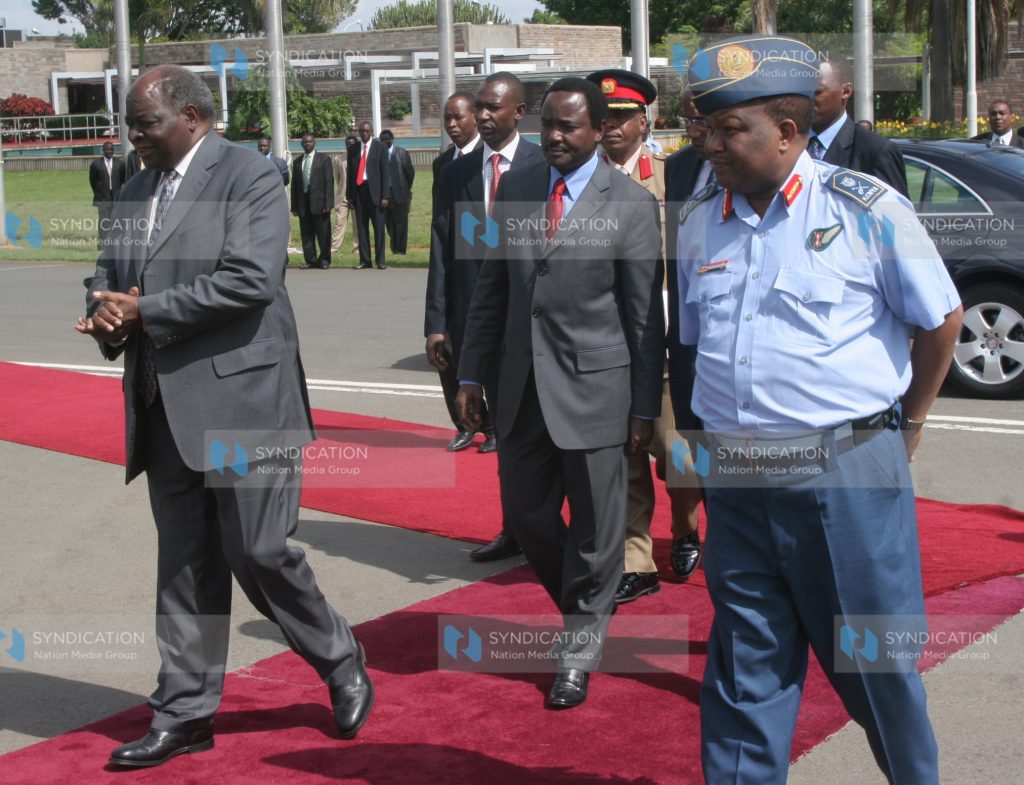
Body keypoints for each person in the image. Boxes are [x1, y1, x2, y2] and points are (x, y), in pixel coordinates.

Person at [678, 36, 962, 784]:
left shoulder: (867, 210)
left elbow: (940, 323)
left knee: (875, 667)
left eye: (729, 129)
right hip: (737, 474)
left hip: (843, 471)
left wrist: (912, 421)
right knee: (746, 669)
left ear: (789, 132)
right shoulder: (702, 219)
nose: (710, 145)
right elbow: (695, 347)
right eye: (706, 129)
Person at [74, 64, 373, 769]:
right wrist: (104, 309)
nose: (134, 135)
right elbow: (106, 268)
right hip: (161, 403)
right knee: (183, 566)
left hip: (245, 401)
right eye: (131, 123)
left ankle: (338, 655)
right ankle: (184, 711)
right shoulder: (134, 185)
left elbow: (251, 276)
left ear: (193, 117)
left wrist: (145, 309)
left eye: (145, 122)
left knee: (259, 552)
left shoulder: (250, 175)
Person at [456, 77, 665, 708]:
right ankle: (587, 608)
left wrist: (643, 406)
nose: (553, 136)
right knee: (526, 516)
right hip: (521, 391)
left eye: (568, 126)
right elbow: (492, 289)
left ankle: (578, 648)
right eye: (547, 124)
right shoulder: (517, 189)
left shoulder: (629, 204)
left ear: (600, 131)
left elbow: (641, 319)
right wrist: (471, 372)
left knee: (601, 532)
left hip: (598, 394)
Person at [585, 68, 703, 603]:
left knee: (674, 453)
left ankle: (684, 526)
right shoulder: (581, 178)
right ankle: (637, 559)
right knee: (624, 454)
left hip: (664, 335)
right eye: (602, 118)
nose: (610, 128)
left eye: (621, 118)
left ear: (644, 121)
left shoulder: (671, 177)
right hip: (606, 339)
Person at [426, 72, 545, 563]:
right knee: (508, 434)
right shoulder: (454, 171)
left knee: (552, 432)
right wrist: (437, 322)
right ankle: (513, 529)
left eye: (495, 107)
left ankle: (569, 531)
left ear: (520, 112)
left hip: (539, 324)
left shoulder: (545, 164)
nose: (484, 116)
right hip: (481, 322)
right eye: (480, 107)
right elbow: (440, 247)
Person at [809, 52, 909, 196]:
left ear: (846, 91)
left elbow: (895, 215)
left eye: (817, 91)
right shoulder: (789, 146)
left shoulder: (876, 152)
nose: (807, 98)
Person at [346, 120, 390, 269]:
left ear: (371, 132)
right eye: (361, 131)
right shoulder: (353, 149)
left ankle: (380, 260)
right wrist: (350, 196)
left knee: (378, 228)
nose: (364, 134)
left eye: (367, 131)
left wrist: (385, 196)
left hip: (376, 193)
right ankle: (365, 260)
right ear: (358, 132)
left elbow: (385, 173)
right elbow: (350, 174)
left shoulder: (380, 148)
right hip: (359, 191)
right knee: (361, 228)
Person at [432, 92, 480, 219]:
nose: (451, 124)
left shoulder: (491, 156)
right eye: (447, 119)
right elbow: (438, 213)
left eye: (458, 117)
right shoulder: (441, 163)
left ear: (475, 118)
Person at [290, 133, 334, 268]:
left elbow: (329, 182)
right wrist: (294, 206)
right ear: (301, 144)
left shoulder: (324, 159)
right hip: (303, 203)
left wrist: (328, 203)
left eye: (309, 142)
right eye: (304, 142)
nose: (307, 144)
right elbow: (294, 186)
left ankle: (324, 260)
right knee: (306, 234)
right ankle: (311, 260)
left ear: (314, 143)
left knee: (323, 233)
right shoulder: (297, 162)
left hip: (320, 203)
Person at [380, 129, 415, 255]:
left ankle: (400, 249)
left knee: (401, 223)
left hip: (400, 194)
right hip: (385, 195)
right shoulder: (379, 154)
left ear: (392, 139)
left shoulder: (401, 153)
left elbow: (410, 173)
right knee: (389, 223)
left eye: (387, 139)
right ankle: (394, 245)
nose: (384, 142)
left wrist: (405, 188)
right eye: (382, 140)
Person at [88, 141, 126, 248]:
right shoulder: (96, 164)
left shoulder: (120, 164)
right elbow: (93, 181)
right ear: (103, 150)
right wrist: (98, 194)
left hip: (116, 198)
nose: (109, 151)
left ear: (113, 151)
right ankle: (102, 244)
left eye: (111, 149)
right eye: (107, 150)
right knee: (104, 222)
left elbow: (123, 180)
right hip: (103, 198)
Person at [331, 133, 360, 255]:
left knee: (357, 224)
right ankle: (334, 247)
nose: (349, 146)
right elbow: (338, 179)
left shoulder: (361, 158)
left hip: (357, 196)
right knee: (339, 223)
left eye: (352, 144)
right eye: (347, 144)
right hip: (343, 196)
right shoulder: (338, 159)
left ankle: (357, 248)